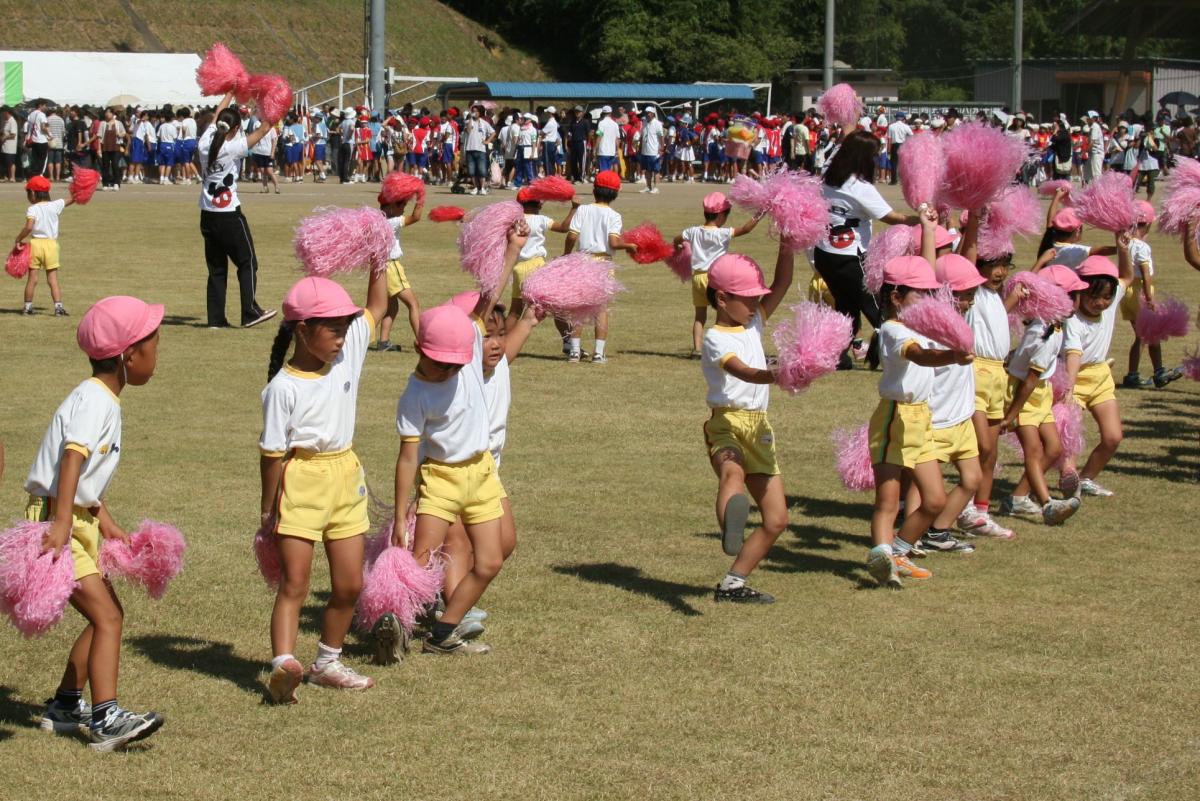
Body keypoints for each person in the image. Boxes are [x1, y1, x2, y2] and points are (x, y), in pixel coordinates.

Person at [26, 295, 166, 751]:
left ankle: (67, 705)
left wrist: (105, 521)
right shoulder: (95, 401)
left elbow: (84, 478)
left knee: (109, 615)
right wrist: (63, 522)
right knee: (107, 617)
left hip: (75, 519)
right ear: (129, 355)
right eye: (153, 343)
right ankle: (105, 719)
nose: (156, 353)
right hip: (56, 522)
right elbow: (72, 459)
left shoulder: (103, 398)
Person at [260, 270, 388, 703]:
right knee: (294, 583)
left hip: (346, 476)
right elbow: (272, 454)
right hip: (302, 480)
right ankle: (283, 666)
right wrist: (268, 509)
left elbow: (378, 306)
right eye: (333, 330)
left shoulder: (346, 353)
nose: (341, 338)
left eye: (344, 330)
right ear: (302, 331)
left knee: (350, 584)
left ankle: (327, 663)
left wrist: (378, 257)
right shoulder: (283, 387)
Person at [393, 230, 523, 655]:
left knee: (491, 561)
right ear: (419, 349)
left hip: (482, 472)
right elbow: (408, 457)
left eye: (454, 362)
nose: (450, 370)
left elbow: (488, 299)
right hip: (441, 480)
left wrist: (512, 250)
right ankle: (394, 621)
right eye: (440, 363)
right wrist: (399, 515)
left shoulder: (465, 355)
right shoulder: (415, 394)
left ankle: (444, 631)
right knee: (421, 561)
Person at [437, 294, 546, 642]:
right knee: (456, 546)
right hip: (451, 471)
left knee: (503, 543)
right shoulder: (460, 376)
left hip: (487, 473)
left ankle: (450, 600)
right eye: (485, 335)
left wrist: (530, 316)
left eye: (500, 334)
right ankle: (453, 613)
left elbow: (523, 326)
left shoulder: (500, 365)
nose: (496, 343)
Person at [864, 246, 973, 589]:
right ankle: (883, 557)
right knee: (887, 499)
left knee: (935, 500)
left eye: (930, 291)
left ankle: (897, 551)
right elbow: (920, 357)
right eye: (921, 292)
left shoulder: (920, 324)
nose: (928, 298)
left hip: (921, 417)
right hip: (895, 418)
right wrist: (953, 356)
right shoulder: (894, 330)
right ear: (896, 296)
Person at [700, 247, 794, 603]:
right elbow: (741, 371)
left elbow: (783, 281)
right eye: (749, 298)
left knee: (776, 519)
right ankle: (731, 529)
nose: (756, 304)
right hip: (726, 422)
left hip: (760, 429)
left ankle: (733, 584)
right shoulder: (715, 337)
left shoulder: (753, 321)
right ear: (722, 298)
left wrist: (787, 239)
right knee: (732, 476)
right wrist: (778, 374)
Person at [815, 130, 920, 369]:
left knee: (845, 307)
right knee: (876, 307)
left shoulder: (828, 175)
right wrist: (919, 219)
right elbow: (891, 217)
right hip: (850, 256)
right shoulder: (859, 186)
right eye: (874, 155)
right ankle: (894, 353)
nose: (876, 159)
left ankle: (837, 355)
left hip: (824, 254)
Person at [998, 264, 1086, 526]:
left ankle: (1018, 497)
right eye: (1075, 294)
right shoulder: (1045, 334)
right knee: (1034, 451)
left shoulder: (1052, 326)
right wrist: (1011, 415)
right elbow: (1028, 381)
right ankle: (1047, 503)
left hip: (1040, 394)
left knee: (1054, 448)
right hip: (1024, 396)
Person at [912, 253, 988, 554]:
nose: (969, 301)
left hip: (962, 418)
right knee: (921, 487)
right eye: (965, 295)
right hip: (936, 420)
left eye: (971, 295)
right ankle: (911, 536)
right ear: (944, 293)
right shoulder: (929, 327)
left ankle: (938, 531)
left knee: (972, 479)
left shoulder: (961, 318)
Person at [953, 211, 1021, 540]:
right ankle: (962, 506)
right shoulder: (974, 291)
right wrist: (976, 222)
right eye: (994, 264)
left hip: (998, 376)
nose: (1000, 271)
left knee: (992, 451)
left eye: (1006, 264)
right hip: (976, 373)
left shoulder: (994, 296)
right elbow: (966, 253)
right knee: (979, 445)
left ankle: (980, 512)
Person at [1058, 244, 1140, 498]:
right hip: (1073, 377)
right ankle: (1068, 486)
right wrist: (1068, 391)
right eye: (1094, 297)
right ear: (1080, 290)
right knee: (1069, 441)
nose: (1101, 303)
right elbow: (1073, 355)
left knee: (1113, 437)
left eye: (1107, 297)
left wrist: (1123, 249)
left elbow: (1126, 277)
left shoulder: (1112, 296)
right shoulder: (1072, 318)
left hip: (1101, 376)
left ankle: (1086, 479)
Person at [197, 91, 277, 329]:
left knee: (217, 269)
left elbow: (216, 117)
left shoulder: (205, 141)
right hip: (229, 215)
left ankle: (216, 319)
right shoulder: (233, 148)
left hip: (207, 214)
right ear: (234, 129)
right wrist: (276, 106)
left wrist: (230, 92)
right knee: (247, 261)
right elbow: (263, 130)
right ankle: (250, 311)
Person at [674, 192, 762, 356]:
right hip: (715, 278)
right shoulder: (722, 233)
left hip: (697, 277)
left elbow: (677, 239)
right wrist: (760, 213)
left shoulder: (693, 231)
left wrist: (679, 247)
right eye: (727, 214)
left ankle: (697, 349)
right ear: (721, 215)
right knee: (723, 313)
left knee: (699, 316)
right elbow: (746, 229)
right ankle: (718, 346)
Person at [563, 169, 637, 363]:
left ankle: (575, 351)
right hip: (603, 263)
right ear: (616, 193)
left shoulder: (583, 210)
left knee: (578, 307)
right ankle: (598, 352)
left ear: (594, 189)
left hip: (582, 260)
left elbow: (572, 235)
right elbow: (613, 243)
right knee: (601, 309)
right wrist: (628, 245)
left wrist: (566, 255)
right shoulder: (614, 215)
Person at [1120, 202, 1182, 389]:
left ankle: (1153, 371)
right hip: (1139, 291)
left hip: (1127, 291)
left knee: (1146, 335)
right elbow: (1146, 275)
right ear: (1146, 224)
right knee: (1147, 335)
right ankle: (1144, 373)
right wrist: (1149, 299)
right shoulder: (1142, 247)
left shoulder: (1124, 242)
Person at [508, 186, 579, 330]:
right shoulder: (540, 219)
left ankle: (505, 341)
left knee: (515, 310)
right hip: (535, 266)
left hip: (517, 267)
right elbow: (564, 228)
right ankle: (568, 342)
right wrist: (574, 208)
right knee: (555, 306)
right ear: (537, 204)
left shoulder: (513, 221)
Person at [14, 175, 74, 316]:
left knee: (32, 279)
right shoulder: (55, 205)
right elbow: (73, 199)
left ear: (33, 193)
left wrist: (18, 239)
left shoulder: (32, 209)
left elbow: (29, 227)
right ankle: (58, 308)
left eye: (28, 193)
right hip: (51, 245)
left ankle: (28, 307)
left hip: (35, 245)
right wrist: (82, 188)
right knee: (52, 279)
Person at [375, 184, 424, 353]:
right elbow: (416, 217)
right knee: (413, 304)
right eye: (400, 204)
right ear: (389, 206)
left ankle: (383, 341)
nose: (403, 208)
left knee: (392, 307)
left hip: (381, 267)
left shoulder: (377, 220)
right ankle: (423, 342)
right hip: (391, 266)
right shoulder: (393, 221)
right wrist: (421, 198)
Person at [462, 105, 494, 196]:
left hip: (481, 149)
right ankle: (476, 187)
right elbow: (468, 131)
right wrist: (471, 119)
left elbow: (493, 132)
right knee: (471, 171)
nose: (474, 112)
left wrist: (487, 141)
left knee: (482, 170)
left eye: (476, 111)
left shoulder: (484, 123)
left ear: (480, 113)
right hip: (470, 149)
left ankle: (482, 188)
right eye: (473, 111)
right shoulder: (468, 121)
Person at [97, 109, 125, 191]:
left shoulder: (118, 123)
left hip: (115, 147)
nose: (106, 114)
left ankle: (116, 183)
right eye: (106, 112)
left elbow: (124, 133)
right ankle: (105, 183)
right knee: (105, 166)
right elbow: (99, 137)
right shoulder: (102, 123)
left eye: (108, 112)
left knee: (115, 165)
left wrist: (119, 134)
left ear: (112, 114)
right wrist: (99, 149)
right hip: (105, 147)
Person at [638, 106, 664, 194]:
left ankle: (656, 188)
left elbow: (661, 136)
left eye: (649, 113)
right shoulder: (644, 122)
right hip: (645, 150)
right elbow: (642, 136)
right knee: (647, 170)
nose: (647, 114)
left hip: (654, 151)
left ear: (653, 114)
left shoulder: (657, 124)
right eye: (646, 112)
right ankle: (648, 187)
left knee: (656, 170)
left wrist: (661, 148)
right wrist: (640, 146)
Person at [886, 112, 912, 185]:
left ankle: (894, 180)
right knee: (903, 163)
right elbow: (911, 135)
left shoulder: (891, 126)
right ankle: (903, 180)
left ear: (896, 118)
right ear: (903, 118)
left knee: (894, 163)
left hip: (894, 145)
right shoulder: (906, 126)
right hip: (903, 145)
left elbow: (889, 139)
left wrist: (888, 150)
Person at [565, 105, 589, 182]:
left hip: (582, 142)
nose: (577, 113)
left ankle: (582, 176)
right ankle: (576, 177)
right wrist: (568, 141)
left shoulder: (585, 122)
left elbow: (588, 133)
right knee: (573, 161)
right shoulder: (572, 122)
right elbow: (570, 133)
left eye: (579, 112)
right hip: (573, 143)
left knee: (582, 160)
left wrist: (588, 143)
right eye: (576, 111)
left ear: (582, 113)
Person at [26, 99, 49, 177]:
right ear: (40, 105)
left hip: (33, 140)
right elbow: (43, 127)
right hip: (41, 140)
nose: (46, 107)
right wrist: (50, 134)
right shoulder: (42, 114)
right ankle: (39, 176)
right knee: (42, 160)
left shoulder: (31, 114)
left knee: (35, 160)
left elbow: (29, 128)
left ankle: (33, 176)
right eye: (45, 105)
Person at [595, 106, 620, 174]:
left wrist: (595, 148)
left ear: (603, 113)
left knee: (603, 171)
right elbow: (617, 139)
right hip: (612, 151)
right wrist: (617, 150)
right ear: (610, 113)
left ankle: (605, 184)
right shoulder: (615, 124)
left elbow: (599, 136)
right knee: (610, 170)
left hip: (603, 151)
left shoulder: (601, 123)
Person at [1, 107, 18, 181]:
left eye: (2, 112)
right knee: (6, 162)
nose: (1, 114)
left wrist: (5, 137)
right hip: (4, 146)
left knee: (11, 162)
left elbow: (13, 134)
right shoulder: (5, 121)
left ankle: (12, 177)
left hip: (10, 147)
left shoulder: (12, 121)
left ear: (7, 112)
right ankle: (7, 176)